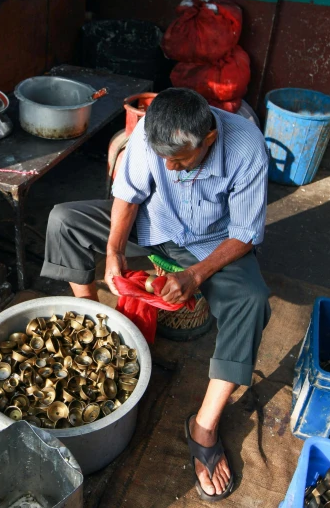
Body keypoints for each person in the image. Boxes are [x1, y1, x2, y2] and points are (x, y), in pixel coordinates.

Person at [40, 88, 271, 501]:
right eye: (163, 157)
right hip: (154, 228)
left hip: (209, 245)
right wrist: (113, 252)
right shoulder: (153, 129)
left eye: (180, 160)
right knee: (64, 221)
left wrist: (196, 276)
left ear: (209, 140)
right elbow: (128, 195)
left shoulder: (246, 147)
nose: (169, 166)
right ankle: (95, 329)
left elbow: (245, 234)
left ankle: (203, 426)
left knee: (251, 301)